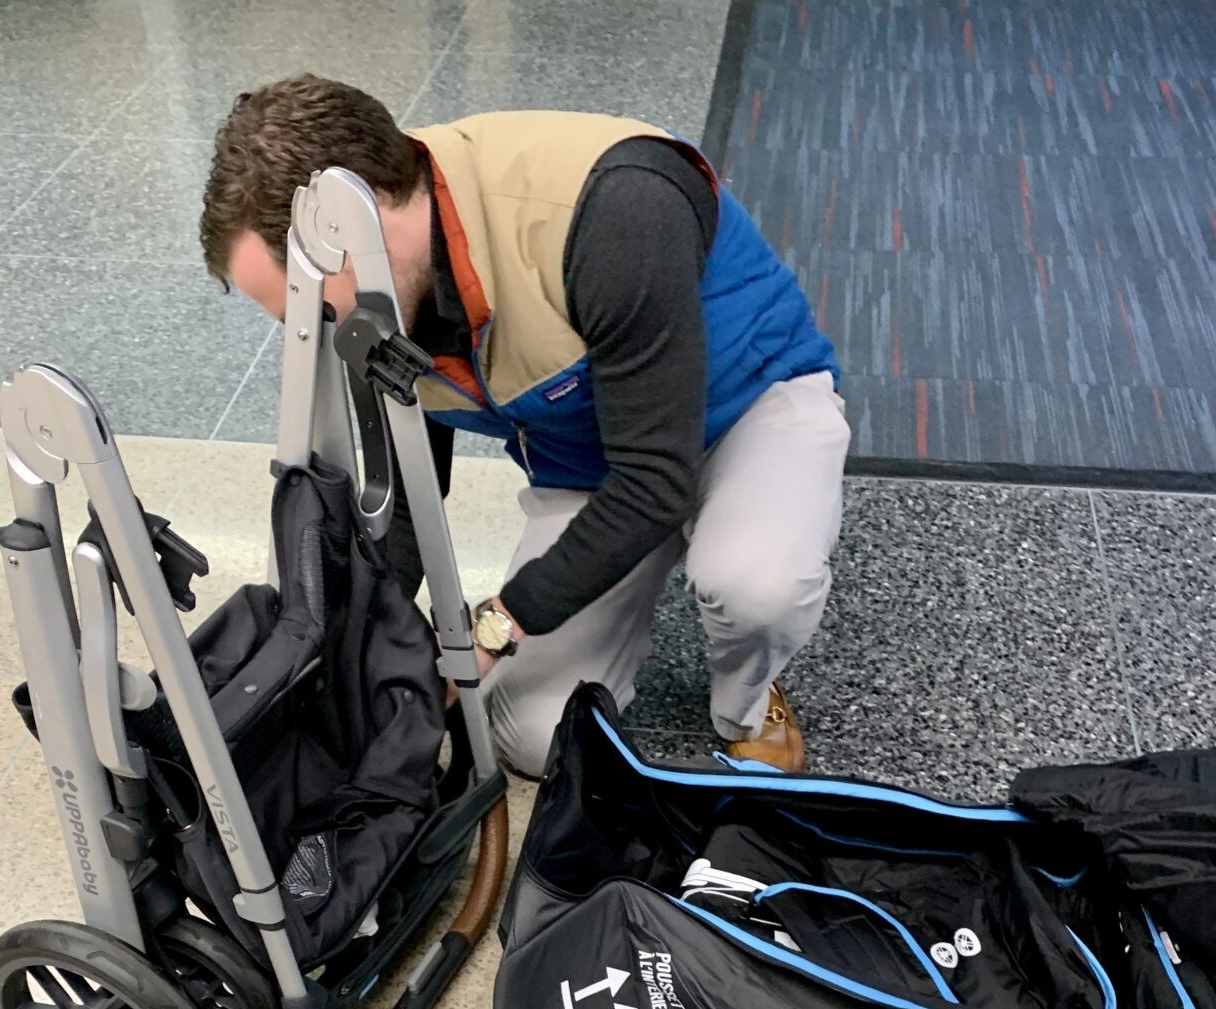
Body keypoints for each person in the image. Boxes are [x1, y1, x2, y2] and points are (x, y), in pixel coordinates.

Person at [200, 76, 848, 777]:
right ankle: (647, 574)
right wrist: (360, 648)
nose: (319, 332)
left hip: (748, 406)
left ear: (356, 225)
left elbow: (656, 481)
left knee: (755, 583)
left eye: (314, 310)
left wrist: (492, 627)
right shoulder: (373, 295)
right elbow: (410, 496)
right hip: (593, 461)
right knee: (534, 738)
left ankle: (750, 702)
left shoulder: (612, 208)